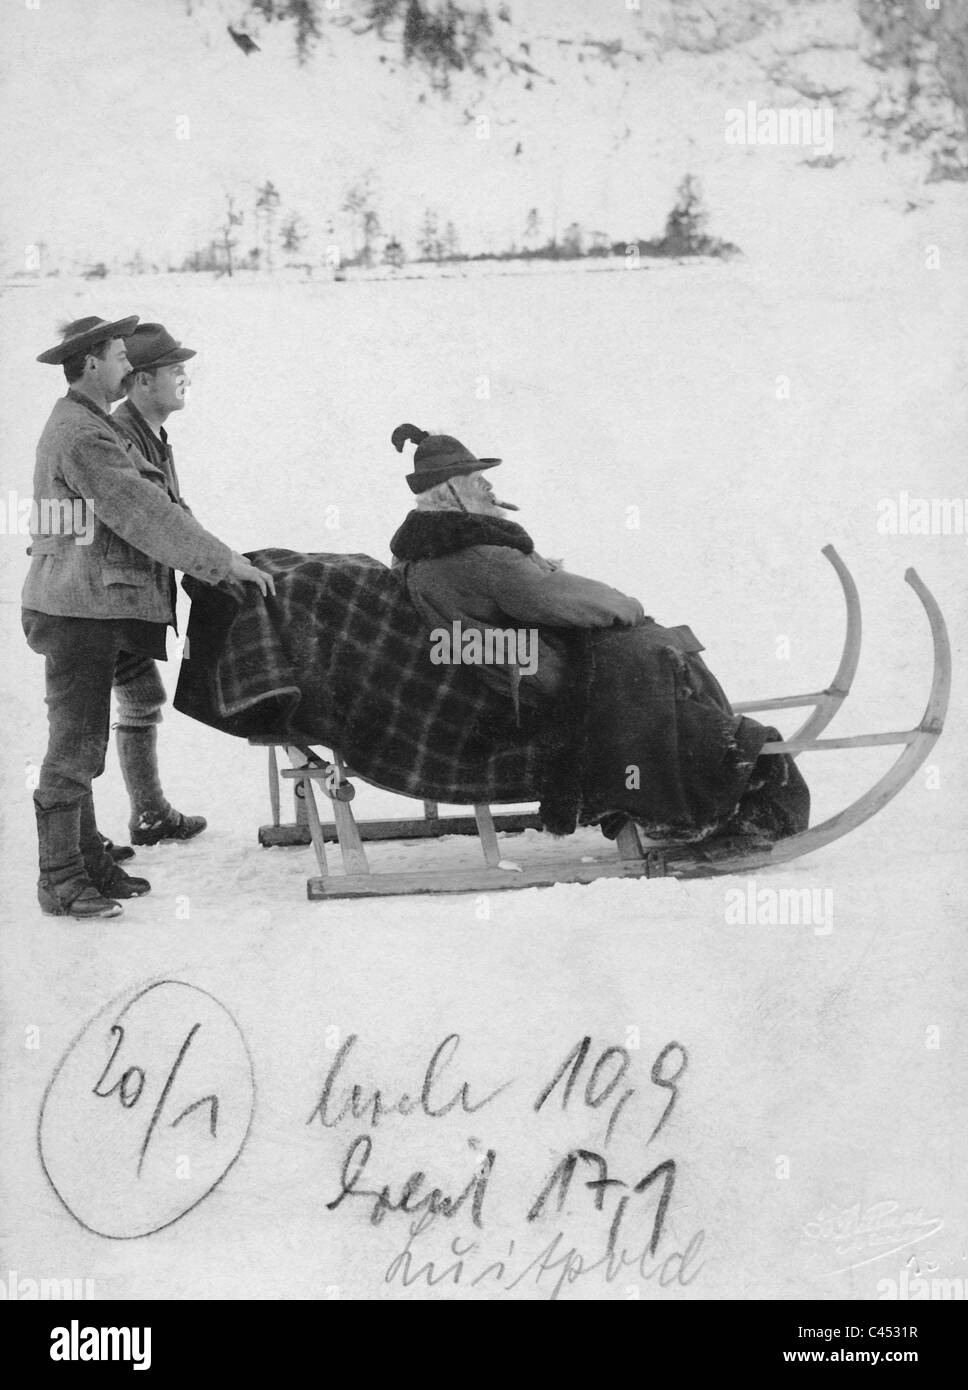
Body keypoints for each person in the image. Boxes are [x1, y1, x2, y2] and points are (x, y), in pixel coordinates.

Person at [23, 315, 275, 920]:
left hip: (85, 603)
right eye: (118, 357)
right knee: (75, 751)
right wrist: (223, 565)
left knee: (83, 744)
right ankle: (60, 879)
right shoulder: (84, 433)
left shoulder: (83, 424)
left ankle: (88, 863)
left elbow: (147, 508)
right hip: (78, 608)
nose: (126, 367)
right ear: (90, 365)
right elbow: (140, 511)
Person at [388, 423, 645, 711]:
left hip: (470, 671)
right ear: (451, 491)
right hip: (522, 677)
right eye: (477, 480)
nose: (489, 487)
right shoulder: (483, 557)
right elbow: (554, 597)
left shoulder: (411, 553)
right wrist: (628, 607)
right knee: (642, 666)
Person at [107, 322, 209, 846]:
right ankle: (147, 814)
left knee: (139, 698)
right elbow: (156, 518)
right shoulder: (123, 435)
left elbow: (176, 511)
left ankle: (148, 813)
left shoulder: (148, 434)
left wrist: (219, 560)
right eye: (175, 370)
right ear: (143, 380)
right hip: (110, 597)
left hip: (126, 596)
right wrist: (218, 565)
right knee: (127, 704)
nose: (184, 378)